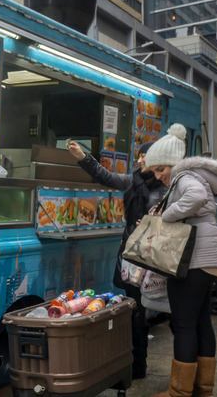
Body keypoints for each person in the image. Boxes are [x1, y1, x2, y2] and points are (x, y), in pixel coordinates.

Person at [67, 139, 165, 379]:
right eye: (139, 155)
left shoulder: (166, 188)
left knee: (155, 309)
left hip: (153, 258)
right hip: (131, 256)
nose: (139, 160)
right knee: (134, 311)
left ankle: (146, 365)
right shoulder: (133, 181)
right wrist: (83, 157)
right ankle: (135, 366)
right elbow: (105, 176)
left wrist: (155, 224)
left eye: (144, 156)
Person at [144, 123, 217, 397]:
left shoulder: (184, 177)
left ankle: (179, 392)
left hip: (192, 260)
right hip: (207, 259)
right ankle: (203, 389)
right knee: (201, 321)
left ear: (173, 163)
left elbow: (196, 196)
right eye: (155, 171)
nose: (159, 176)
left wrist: (166, 216)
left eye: (161, 169)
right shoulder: (192, 175)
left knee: (183, 324)